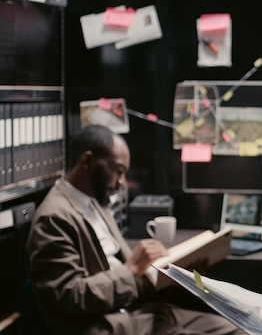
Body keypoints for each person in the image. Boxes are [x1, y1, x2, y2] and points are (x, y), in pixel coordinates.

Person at [26, 125, 244, 335]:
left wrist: (177, 276)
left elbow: (131, 280)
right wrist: (131, 268)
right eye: (118, 171)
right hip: (110, 325)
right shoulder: (53, 218)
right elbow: (69, 297)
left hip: (141, 312)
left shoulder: (96, 204)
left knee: (239, 329)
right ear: (88, 161)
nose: (122, 183)